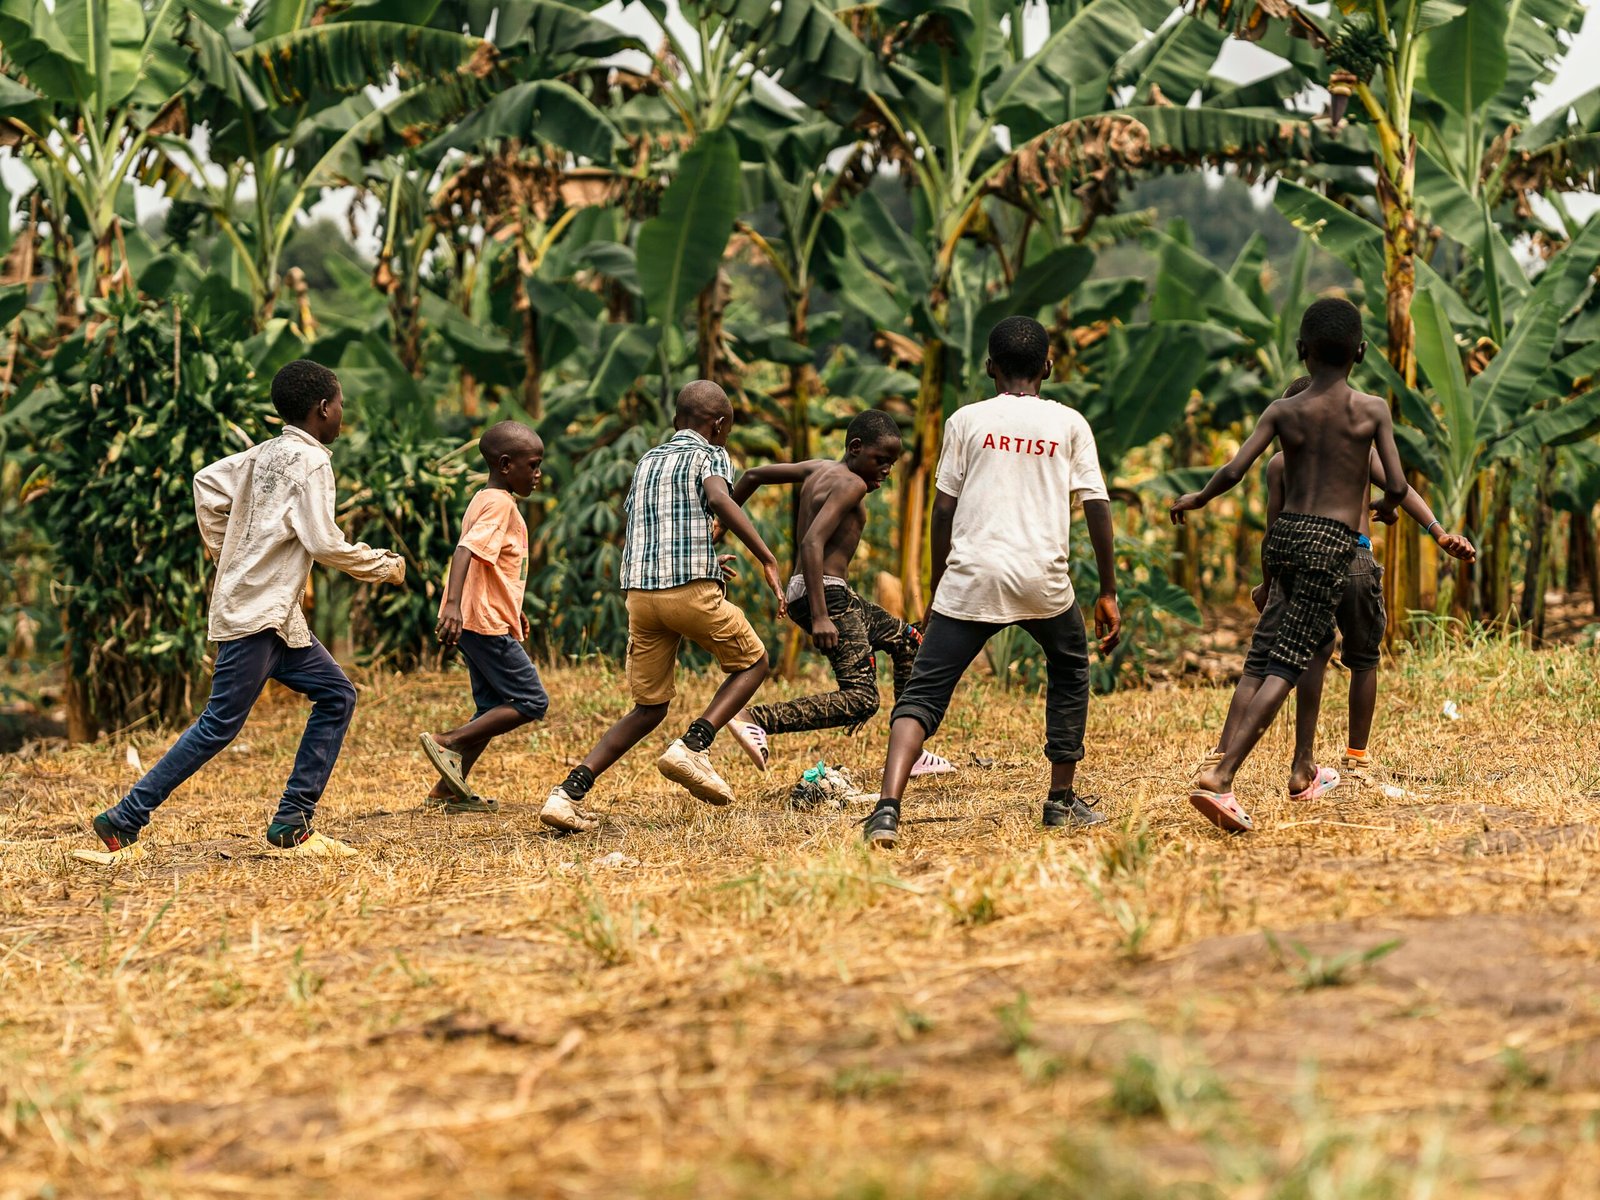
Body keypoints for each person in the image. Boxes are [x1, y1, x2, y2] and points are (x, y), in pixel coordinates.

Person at [74, 360, 406, 865]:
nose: (342, 413)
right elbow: (323, 542)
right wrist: (382, 565)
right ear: (323, 408)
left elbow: (206, 484)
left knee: (337, 695)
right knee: (218, 725)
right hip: (256, 615)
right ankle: (124, 819)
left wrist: (226, 553)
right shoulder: (313, 463)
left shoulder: (263, 454)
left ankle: (292, 823)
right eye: (340, 405)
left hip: (274, 617)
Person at [862, 316, 1122, 850]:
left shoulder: (967, 421)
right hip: (1041, 580)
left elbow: (942, 510)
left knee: (925, 694)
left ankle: (887, 810)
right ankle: (1060, 801)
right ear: (1049, 366)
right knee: (1070, 666)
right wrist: (1108, 590)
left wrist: (938, 590)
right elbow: (1096, 505)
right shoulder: (1070, 423)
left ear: (990, 368)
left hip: (971, 576)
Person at [1172, 298, 1407, 833]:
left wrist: (1196, 499)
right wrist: (1387, 509)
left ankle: (1292, 767)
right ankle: (1221, 777)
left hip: (1284, 539)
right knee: (1290, 662)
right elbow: (1394, 483)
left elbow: (1235, 469)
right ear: (1362, 353)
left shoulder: (1283, 410)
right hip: (1330, 544)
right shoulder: (1371, 410)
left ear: (1301, 353)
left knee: (1270, 652)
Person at [1198, 379, 1476, 797]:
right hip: (1355, 559)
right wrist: (1435, 531)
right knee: (1362, 658)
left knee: (1267, 663)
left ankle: (1227, 756)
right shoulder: (1356, 449)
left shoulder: (1279, 463)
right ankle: (1354, 758)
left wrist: (1269, 583)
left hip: (1298, 565)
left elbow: (1273, 531)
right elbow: (1401, 489)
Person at [540, 381, 783, 832]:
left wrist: (707, 559)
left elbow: (654, 525)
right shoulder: (709, 453)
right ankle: (695, 744)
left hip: (641, 599)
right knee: (754, 663)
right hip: (689, 593)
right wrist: (766, 557)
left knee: (648, 708)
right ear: (719, 424)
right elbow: (716, 498)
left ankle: (567, 793)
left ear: (675, 421)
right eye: (725, 429)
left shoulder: (647, 461)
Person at [721, 410, 953, 778]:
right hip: (825, 595)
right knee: (861, 699)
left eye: (892, 464)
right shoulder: (851, 485)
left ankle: (911, 752)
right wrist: (820, 616)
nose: (886, 471)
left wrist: (722, 524)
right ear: (856, 448)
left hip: (825, 591)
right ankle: (755, 718)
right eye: (880, 460)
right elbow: (813, 541)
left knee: (908, 640)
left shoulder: (820, 468)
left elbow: (754, 476)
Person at [419, 421, 550, 813]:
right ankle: (448, 742)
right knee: (531, 701)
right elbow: (466, 551)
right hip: (481, 622)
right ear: (506, 464)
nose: (539, 473)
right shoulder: (500, 504)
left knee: (491, 705)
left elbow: (493, 568)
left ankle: (446, 792)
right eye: (533, 465)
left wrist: (515, 610)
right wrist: (454, 606)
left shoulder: (485, 498)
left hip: (484, 618)